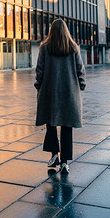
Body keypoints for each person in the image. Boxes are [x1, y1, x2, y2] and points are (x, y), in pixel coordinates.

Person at [34, 19, 86, 174]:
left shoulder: (45, 48)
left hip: (50, 93)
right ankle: (64, 162)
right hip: (69, 93)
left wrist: (39, 86)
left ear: (51, 31)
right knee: (67, 127)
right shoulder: (73, 48)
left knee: (51, 124)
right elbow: (80, 70)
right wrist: (81, 86)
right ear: (66, 31)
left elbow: (40, 71)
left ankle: (54, 154)